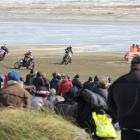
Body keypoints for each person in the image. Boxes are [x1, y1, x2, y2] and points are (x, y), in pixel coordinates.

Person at [108, 54, 140, 140]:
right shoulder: (117, 83)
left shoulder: (117, 82)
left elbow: (110, 103)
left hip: (126, 127)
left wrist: (119, 116)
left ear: (131, 65)